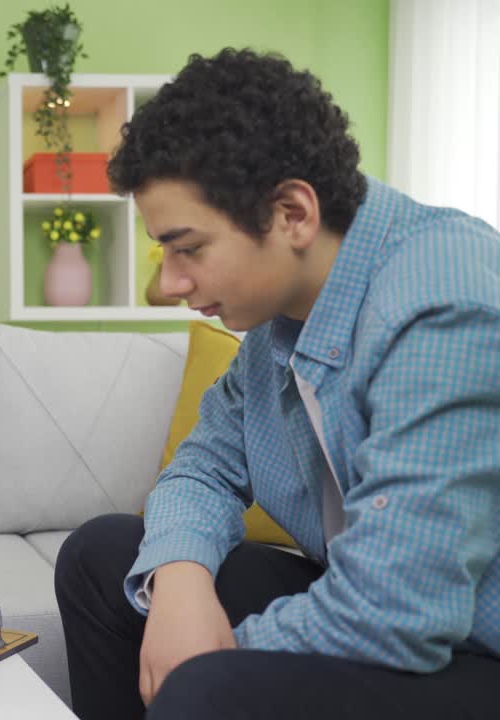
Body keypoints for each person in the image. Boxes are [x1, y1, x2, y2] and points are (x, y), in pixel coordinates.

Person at [55, 48, 500, 720]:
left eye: (188, 248)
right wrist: (179, 584)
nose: (166, 286)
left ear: (292, 212)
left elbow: (398, 609)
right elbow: (200, 469)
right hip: (373, 600)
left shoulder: (442, 297)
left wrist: (209, 657)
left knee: (206, 690)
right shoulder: (276, 326)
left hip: (463, 641)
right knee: (101, 556)